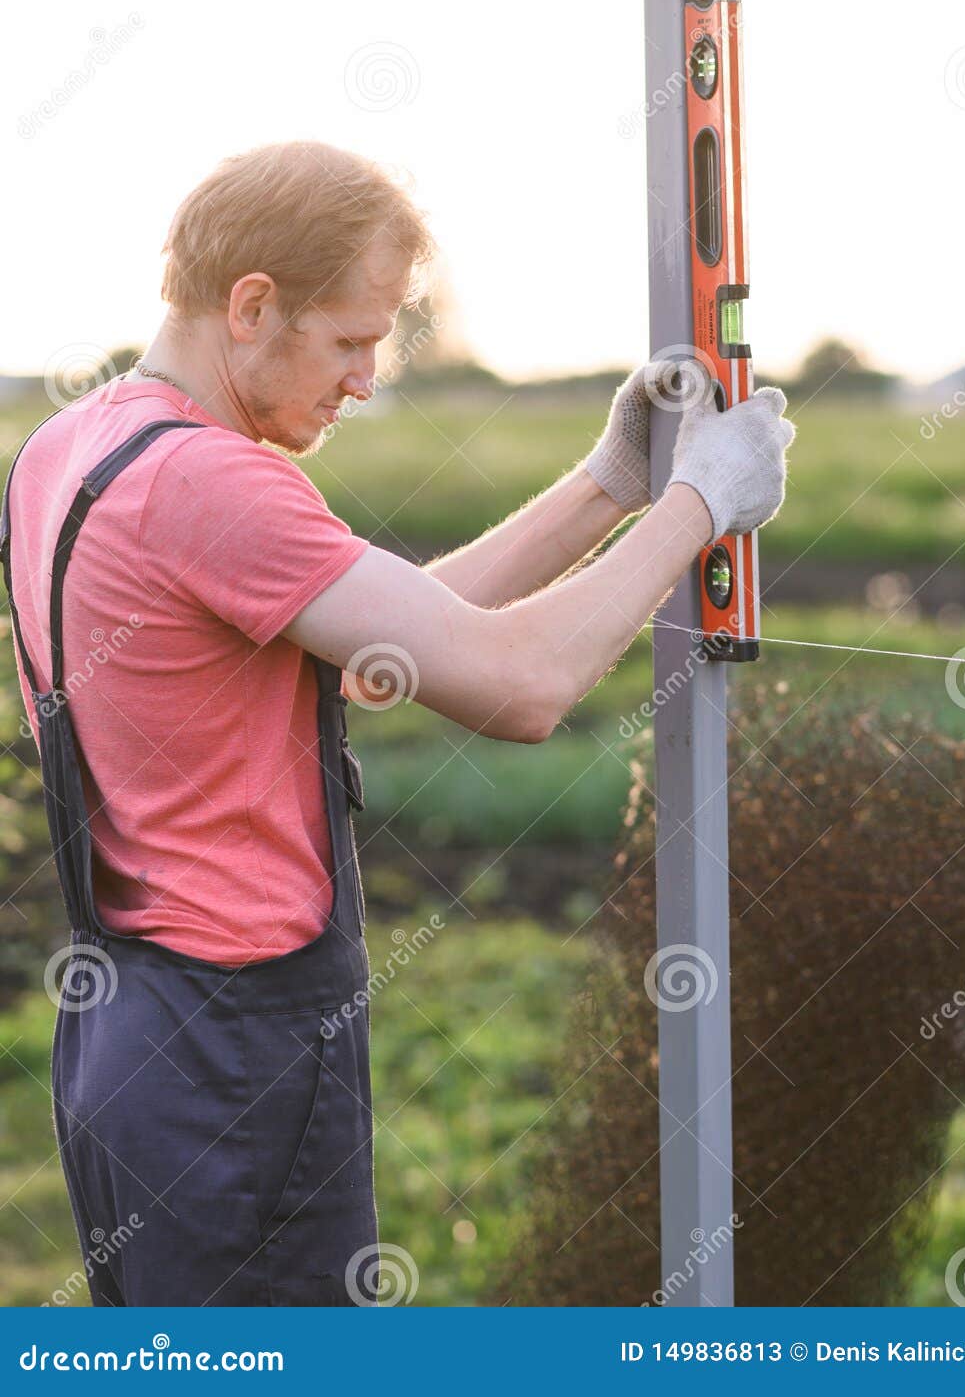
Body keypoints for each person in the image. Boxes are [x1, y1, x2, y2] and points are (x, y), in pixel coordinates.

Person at [0, 140, 794, 1307]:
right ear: (253, 304)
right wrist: (697, 504)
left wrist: (608, 484)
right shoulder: (215, 483)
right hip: (240, 1054)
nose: (367, 377)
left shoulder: (72, 445)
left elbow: (395, 640)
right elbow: (520, 686)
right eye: (351, 339)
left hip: (131, 1032)